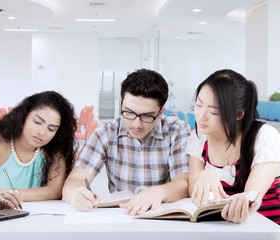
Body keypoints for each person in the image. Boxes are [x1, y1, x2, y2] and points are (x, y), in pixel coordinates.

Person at [62, 69, 191, 215]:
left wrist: (159, 192)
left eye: (147, 116)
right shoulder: (106, 131)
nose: (136, 124)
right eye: (129, 112)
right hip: (120, 216)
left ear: (161, 112)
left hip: (160, 215)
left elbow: (184, 183)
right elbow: (73, 181)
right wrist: (76, 194)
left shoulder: (176, 130)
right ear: (122, 104)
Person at [186, 69, 280, 224]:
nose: (201, 116)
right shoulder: (199, 136)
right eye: (199, 104)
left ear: (238, 115)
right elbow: (194, 191)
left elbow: (251, 198)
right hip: (222, 226)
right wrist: (205, 176)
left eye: (214, 111)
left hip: (268, 226)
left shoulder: (264, 136)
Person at [0, 91, 77, 209]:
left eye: (51, 129)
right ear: (24, 115)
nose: (42, 132)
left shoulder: (54, 150)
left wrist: (4, 193)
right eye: (37, 122)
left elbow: (55, 192)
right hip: (0, 216)